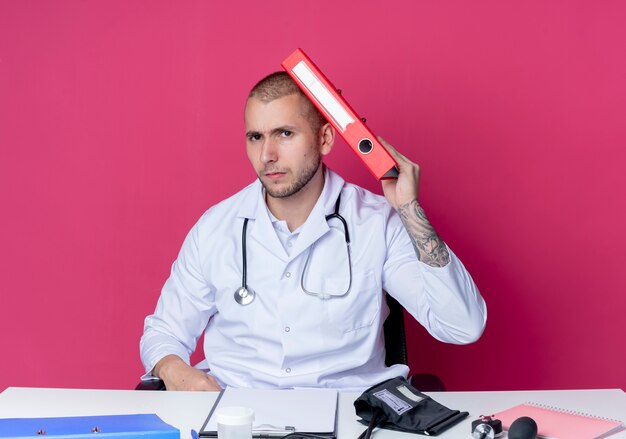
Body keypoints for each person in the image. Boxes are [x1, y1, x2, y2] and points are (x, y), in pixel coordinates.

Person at [140, 72, 486, 391]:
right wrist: (180, 374)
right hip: (237, 415)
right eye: (255, 137)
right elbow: (164, 331)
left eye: (284, 134)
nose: (267, 155)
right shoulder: (215, 228)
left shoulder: (376, 222)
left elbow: (462, 326)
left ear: (325, 138)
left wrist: (410, 211)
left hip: (352, 415)